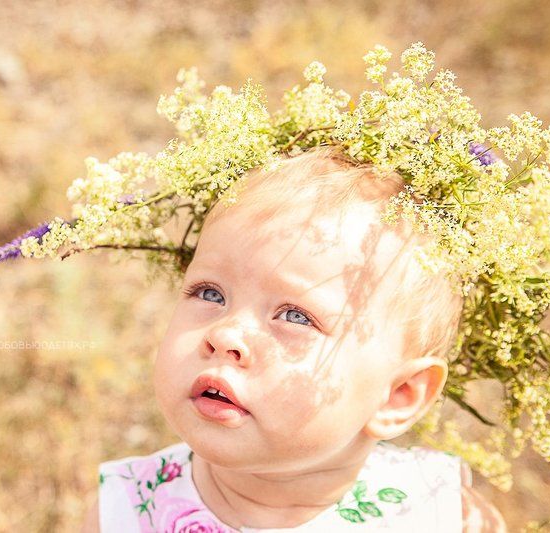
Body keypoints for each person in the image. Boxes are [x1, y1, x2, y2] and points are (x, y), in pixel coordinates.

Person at [79, 147, 508, 532]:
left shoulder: (436, 514)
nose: (225, 335)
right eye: (211, 293)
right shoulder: (126, 511)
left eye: (295, 316)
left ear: (397, 395)